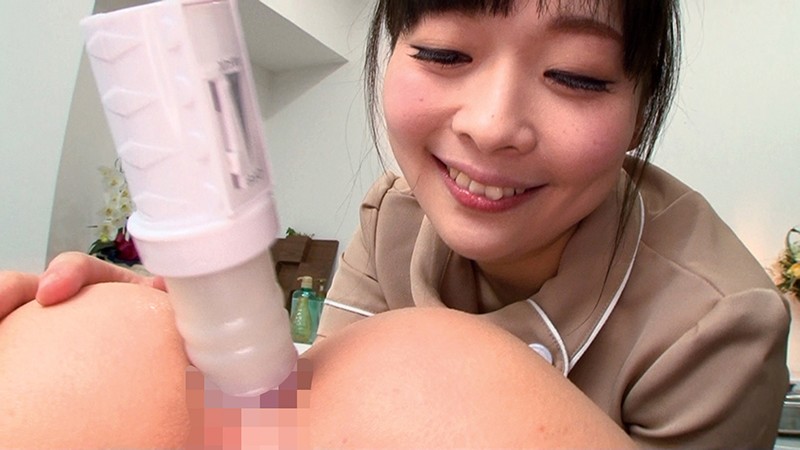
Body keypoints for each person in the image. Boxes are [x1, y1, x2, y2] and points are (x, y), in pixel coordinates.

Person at [0, 0, 790, 447]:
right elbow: (293, 422)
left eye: (576, 77)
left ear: (641, 108)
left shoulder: (720, 328)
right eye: (444, 55)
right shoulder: (397, 217)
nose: (491, 125)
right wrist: (180, 333)